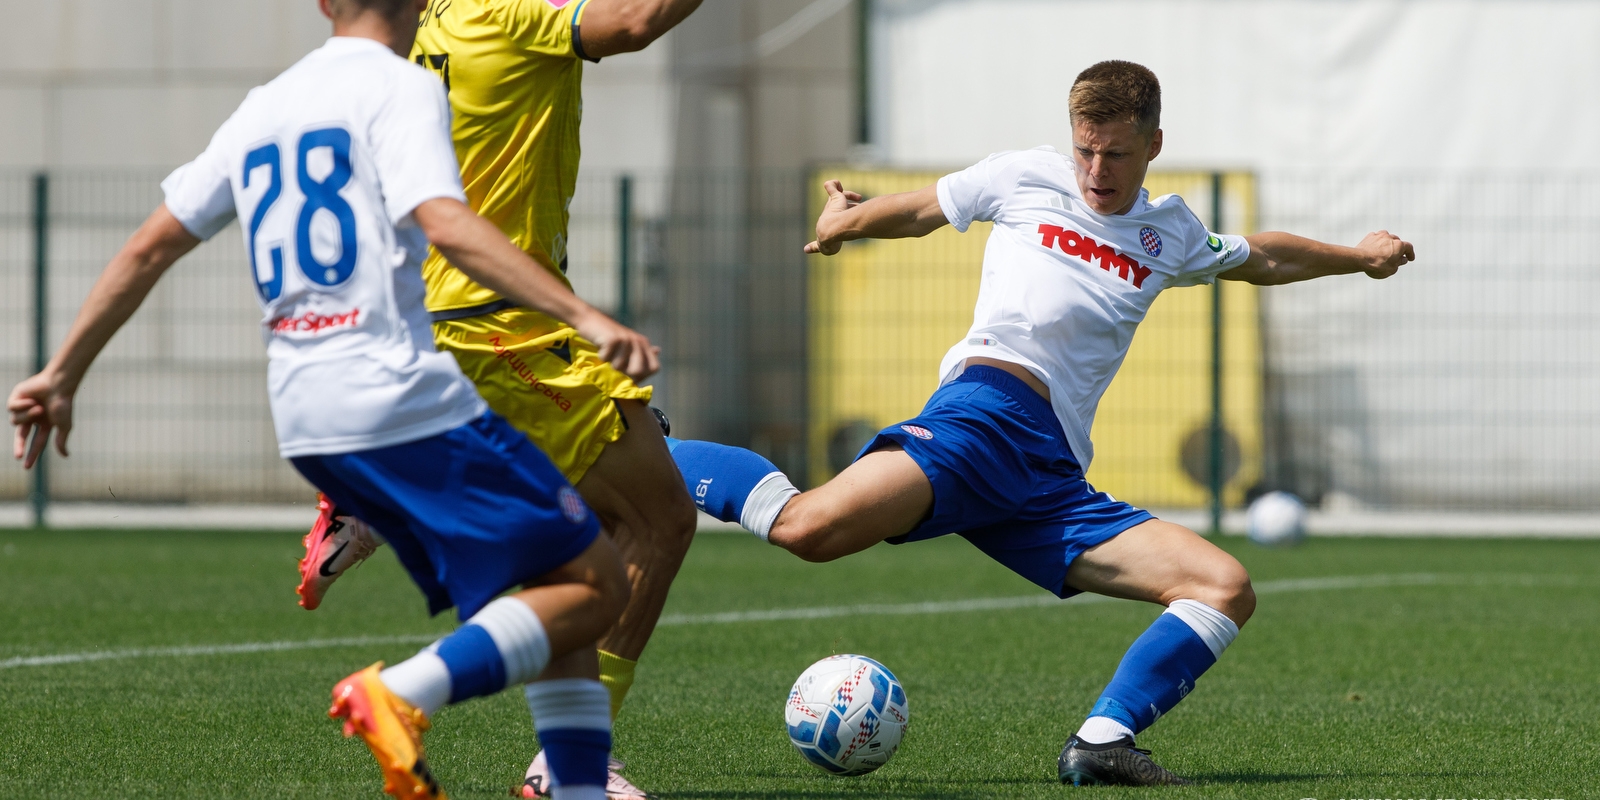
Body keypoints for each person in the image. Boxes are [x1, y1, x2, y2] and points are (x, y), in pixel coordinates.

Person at [666, 60, 1416, 786]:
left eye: (1116, 153)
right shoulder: (1024, 175)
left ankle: (1102, 742)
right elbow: (927, 209)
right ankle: (636, 444)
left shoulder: (1171, 233)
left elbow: (1264, 259)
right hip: (982, 421)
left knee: (1222, 586)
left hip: (1049, 475)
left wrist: (1358, 257)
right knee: (807, 530)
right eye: (1085, 149)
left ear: (1153, 145)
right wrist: (848, 222)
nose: (1097, 170)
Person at [6, 2, 664, 797]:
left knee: (557, 578)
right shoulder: (404, 84)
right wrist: (583, 314)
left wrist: (61, 372)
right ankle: (401, 693)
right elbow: (447, 224)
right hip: (395, 395)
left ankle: (575, 786)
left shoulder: (267, 105)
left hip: (304, 414)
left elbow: (152, 244)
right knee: (597, 582)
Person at [295, 2, 705, 795]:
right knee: (656, 520)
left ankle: (571, 771)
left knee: (573, 552)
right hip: (502, 326)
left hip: (443, 318)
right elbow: (632, 23)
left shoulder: (420, 29)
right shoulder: (506, 12)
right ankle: (450, 709)